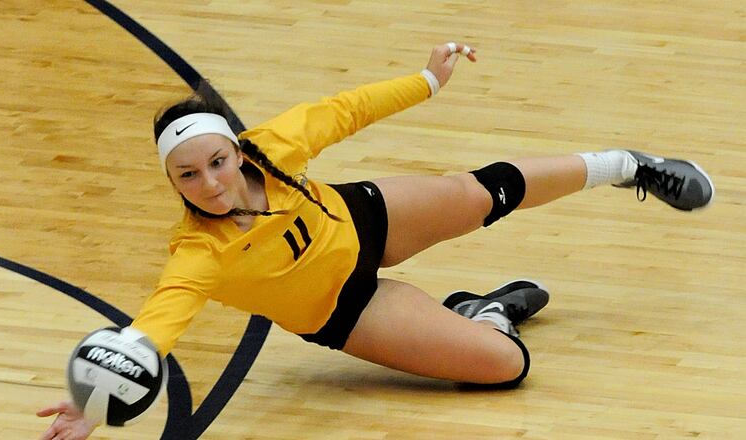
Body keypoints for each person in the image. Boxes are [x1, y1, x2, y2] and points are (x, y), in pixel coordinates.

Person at [37, 41, 714, 439]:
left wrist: (427, 80)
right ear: (173, 182)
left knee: (480, 194)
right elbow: (154, 328)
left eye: (216, 162)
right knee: (506, 369)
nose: (209, 183)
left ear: (236, 154)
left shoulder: (269, 147)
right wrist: (93, 405)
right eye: (187, 175)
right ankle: (486, 312)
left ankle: (625, 165)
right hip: (344, 311)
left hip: (363, 220)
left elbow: (347, 110)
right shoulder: (197, 256)